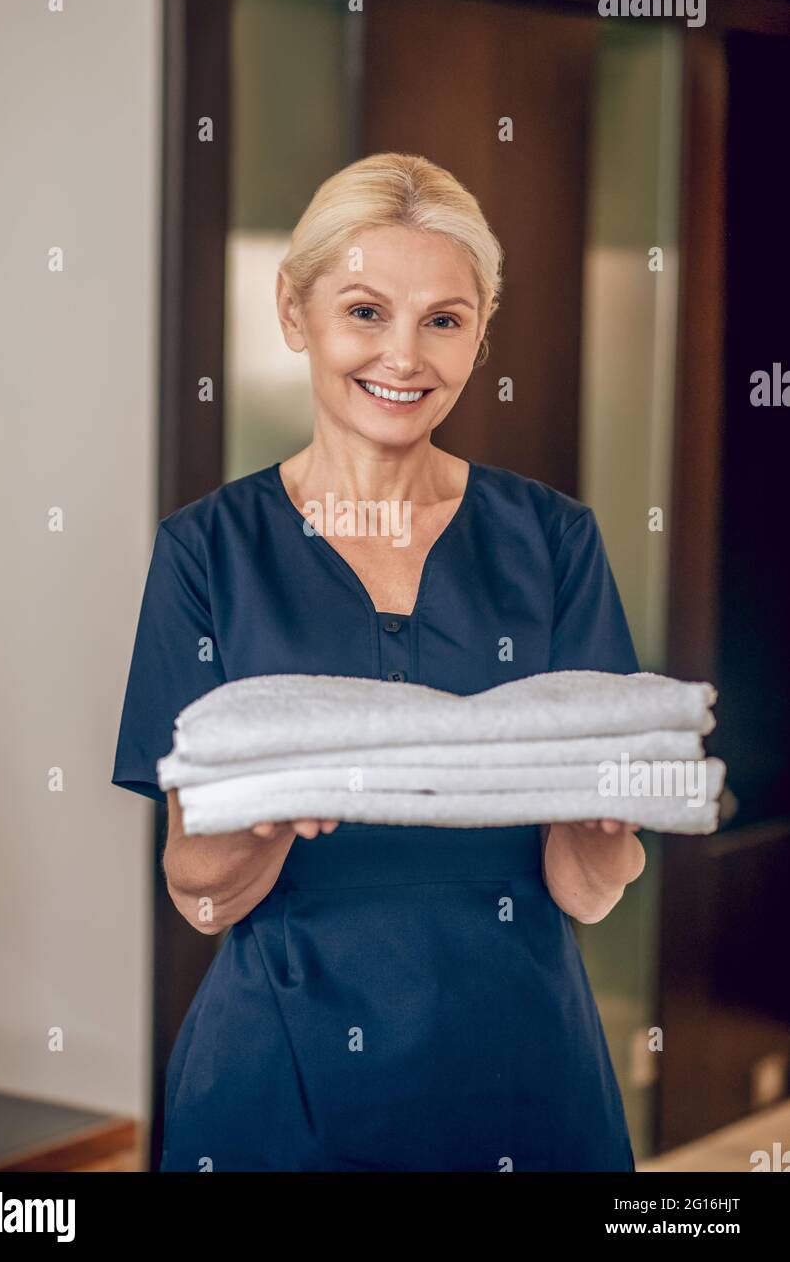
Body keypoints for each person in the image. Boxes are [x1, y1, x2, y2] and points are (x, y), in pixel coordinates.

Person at [112, 152, 645, 1172]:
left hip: (524, 1082)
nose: (403, 356)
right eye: (364, 310)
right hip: (282, 1089)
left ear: (480, 331)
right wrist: (261, 822)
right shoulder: (208, 552)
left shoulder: (552, 541)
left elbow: (586, 888)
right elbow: (198, 890)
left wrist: (605, 812)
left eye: (443, 319)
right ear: (293, 310)